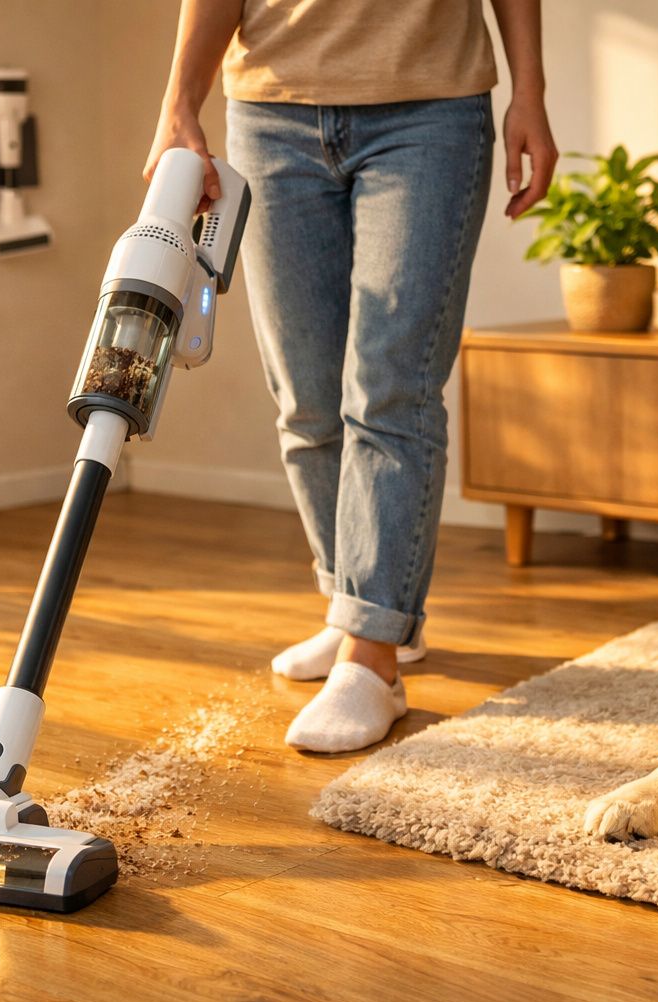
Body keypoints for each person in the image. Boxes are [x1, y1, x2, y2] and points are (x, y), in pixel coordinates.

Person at [144, 0, 556, 753]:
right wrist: (180, 104)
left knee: (392, 387)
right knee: (305, 399)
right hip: (271, 110)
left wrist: (529, 90)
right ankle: (360, 605)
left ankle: (373, 656)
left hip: (429, 106)